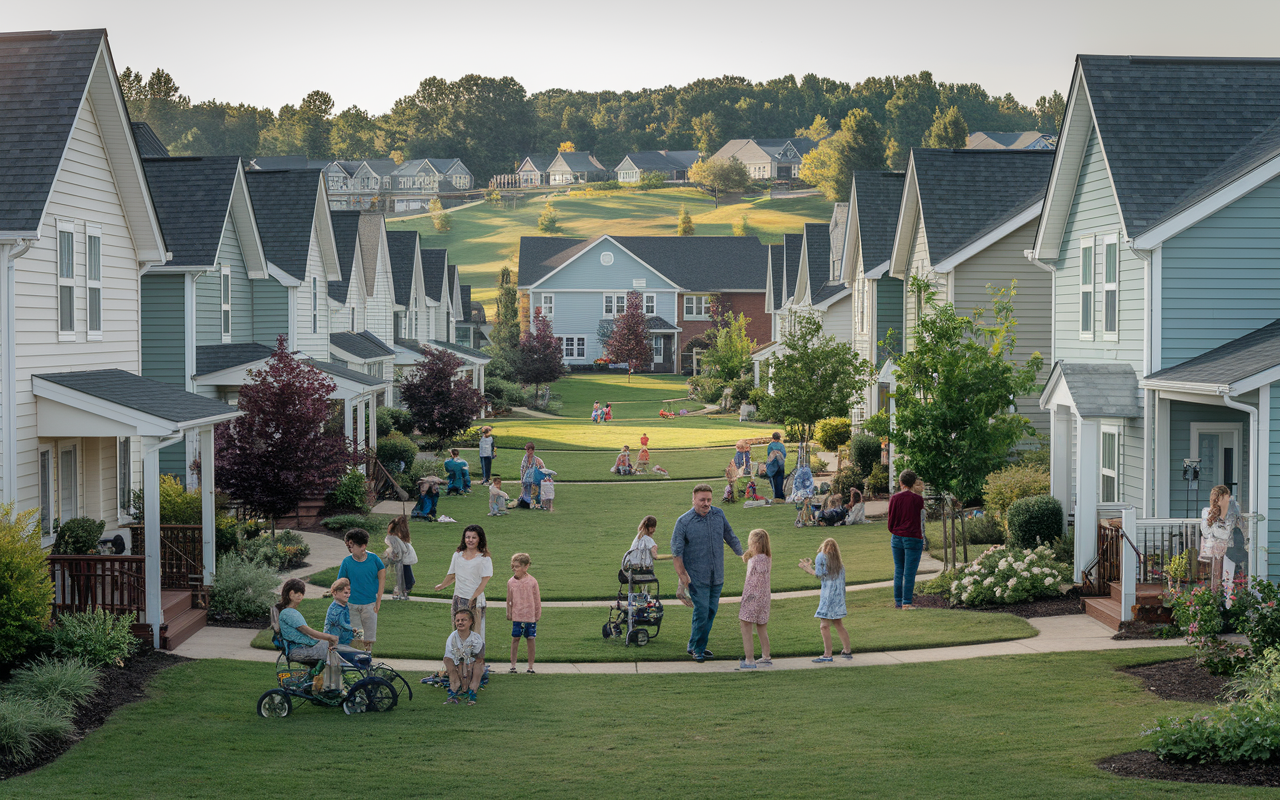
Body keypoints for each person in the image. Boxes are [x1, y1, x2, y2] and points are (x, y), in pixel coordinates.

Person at [671, 483, 743, 663]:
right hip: (696, 578)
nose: (706, 503)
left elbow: (730, 536)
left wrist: (744, 554)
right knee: (702, 612)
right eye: (702, 500)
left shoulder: (719, 514)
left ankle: (694, 644)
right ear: (693, 499)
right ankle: (698, 649)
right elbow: (676, 554)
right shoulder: (683, 522)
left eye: (709, 499)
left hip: (717, 575)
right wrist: (683, 578)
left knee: (710, 611)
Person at [276, 578, 358, 692]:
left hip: (302, 647)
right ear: (291, 594)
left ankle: (324, 683)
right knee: (333, 650)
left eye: (302, 593)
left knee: (331, 648)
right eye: (297, 593)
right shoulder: (288, 613)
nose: (300, 596)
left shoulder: (290, 612)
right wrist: (329, 637)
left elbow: (305, 634)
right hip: (298, 650)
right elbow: (307, 631)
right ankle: (333, 687)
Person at [434, 524, 494, 640]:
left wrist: (472, 599)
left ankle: (474, 658)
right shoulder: (457, 555)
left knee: (474, 634)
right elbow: (452, 575)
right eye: (468, 537)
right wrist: (442, 585)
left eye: (473, 537)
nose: (470, 540)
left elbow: (483, 583)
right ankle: (459, 657)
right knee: (458, 632)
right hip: (458, 598)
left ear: (479, 539)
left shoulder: (484, 559)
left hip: (475, 601)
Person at [799, 538, 852, 662]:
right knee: (838, 623)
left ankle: (827, 654)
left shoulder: (821, 557)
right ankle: (847, 650)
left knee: (824, 626)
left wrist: (807, 568)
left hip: (828, 597)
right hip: (839, 598)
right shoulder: (840, 566)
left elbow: (819, 574)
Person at [337, 529, 385, 653]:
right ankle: (355, 661)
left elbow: (382, 577)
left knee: (369, 638)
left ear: (363, 546)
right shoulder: (347, 562)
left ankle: (367, 660)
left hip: (370, 605)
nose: (349, 547)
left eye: (352, 545)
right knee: (356, 637)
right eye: (348, 545)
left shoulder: (374, 559)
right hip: (352, 606)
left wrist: (378, 600)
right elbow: (341, 583)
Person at [888, 469, 926, 609]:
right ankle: (907, 602)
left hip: (897, 536)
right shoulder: (917, 499)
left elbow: (891, 521)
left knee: (899, 569)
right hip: (912, 537)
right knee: (909, 571)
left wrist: (895, 530)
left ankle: (899, 600)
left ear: (901, 482)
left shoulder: (895, 498)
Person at [738, 529, 772, 670]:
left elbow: (751, 579)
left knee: (745, 626)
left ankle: (750, 660)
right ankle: (766, 656)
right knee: (761, 626)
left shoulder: (755, 560)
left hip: (752, 597)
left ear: (756, 543)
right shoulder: (767, 558)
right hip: (764, 598)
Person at [506, 553, 541, 674]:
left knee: (530, 638)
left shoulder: (532, 582)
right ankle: (513, 665)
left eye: (517, 566)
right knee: (515, 638)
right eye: (513, 566)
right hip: (517, 615)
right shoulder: (511, 582)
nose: (514, 569)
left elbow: (537, 599)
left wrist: (537, 614)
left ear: (525, 567)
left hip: (530, 616)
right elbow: (509, 600)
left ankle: (530, 666)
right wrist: (509, 612)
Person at [443, 608, 485, 705]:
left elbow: (477, 654)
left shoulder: (476, 638)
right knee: (447, 660)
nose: (460, 622)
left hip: (472, 663)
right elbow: (450, 655)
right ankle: (454, 687)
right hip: (456, 662)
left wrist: (468, 664)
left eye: (463, 620)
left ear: (471, 622)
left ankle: (472, 691)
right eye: (458, 620)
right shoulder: (452, 637)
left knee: (479, 663)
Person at [1201, 484, 1235, 592]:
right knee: (1213, 581)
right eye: (1226, 497)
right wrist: (1220, 517)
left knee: (1228, 581)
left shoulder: (1231, 515)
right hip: (1212, 553)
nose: (1228, 501)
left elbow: (1226, 534)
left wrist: (1223, 515)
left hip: (1228, 553)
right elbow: (1206, 532)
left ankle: (1226, 603)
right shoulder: (1207, 512)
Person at [383, 515, 416, 600]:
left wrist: (395, 556)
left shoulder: (395, 538)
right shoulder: (395, 538)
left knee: (403, 572)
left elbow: (401, 549)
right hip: (403, 557)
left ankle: (404, 588)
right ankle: (406, 586)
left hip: (404, 557)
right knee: (405, 571)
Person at [324, 577, 358, 647]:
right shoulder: (335, 609)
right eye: (345, 593)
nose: (348, 595)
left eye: (349, 593)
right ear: (335, 593)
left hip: (344, 641)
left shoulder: (344, 606)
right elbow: (341, 623)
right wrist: (352, 628)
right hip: (334, 642)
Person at [518, 443, 546, 509]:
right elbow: (522, 470)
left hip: (534, 480)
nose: (529, 452)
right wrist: (522, 480)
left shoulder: (538, 460)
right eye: (527, 450)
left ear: (533, 451)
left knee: (535, 493)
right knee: (525, 494)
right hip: (526, 480)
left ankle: (537, 503)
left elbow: (543, 470)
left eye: (530, 450)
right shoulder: (525, 459)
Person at [765, 432, 787, 500]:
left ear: (773, 438)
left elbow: (769, 455)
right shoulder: (781, 445)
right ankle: (780, 495)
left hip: (773, 466)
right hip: (780, 466)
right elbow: (784, 455)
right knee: (780, 481)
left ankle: (776, 496)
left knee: (774, 482)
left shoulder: (770, 446)